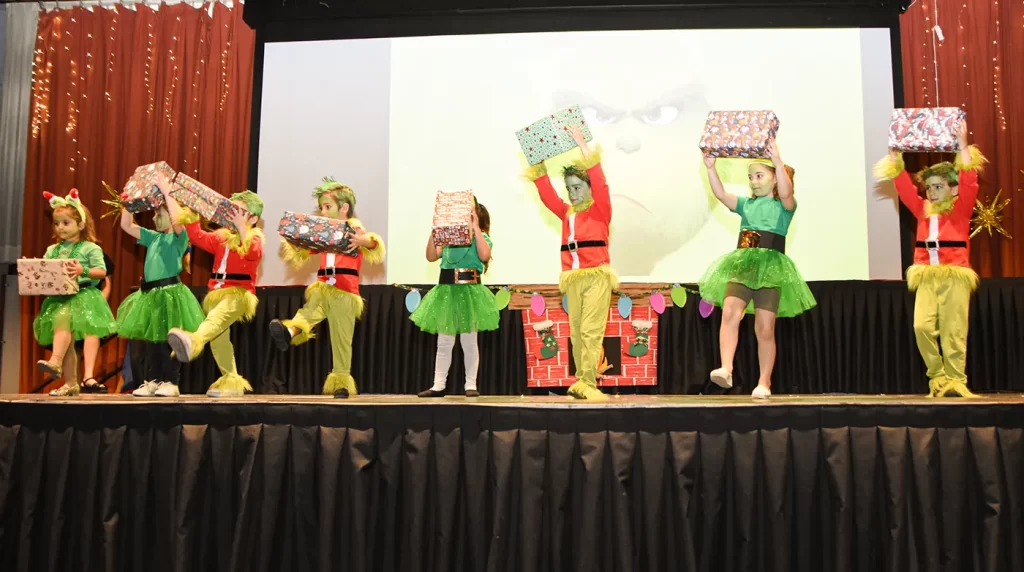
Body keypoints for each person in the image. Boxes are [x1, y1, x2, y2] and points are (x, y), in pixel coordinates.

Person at [874, 120, 985, 397]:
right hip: (926, 275)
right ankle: (937, 376)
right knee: (921, 326)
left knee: (954, 330)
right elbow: (903, 188)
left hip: (954, 275)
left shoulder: (960, 210)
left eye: (938, 187)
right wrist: (894, 156)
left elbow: (969, 181)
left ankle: (956, 379)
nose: (932, 193)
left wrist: (962, 147)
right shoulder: (922, 209)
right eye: (929, 187)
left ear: (953, 189)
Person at [698, 141, 816, 399]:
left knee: (764, 327)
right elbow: (721, 194)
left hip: (770, 268)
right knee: (730, 312)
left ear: (775, 178)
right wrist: (710, 168)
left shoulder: (784, 206)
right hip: (744, 263)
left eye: (759, 176)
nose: (753, 181)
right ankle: (726, 368)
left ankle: (764, 382)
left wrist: (777, 160)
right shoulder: (746, 205)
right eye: (750, 177)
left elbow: (786, 192)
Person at [522, 125, 615, 400]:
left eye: (577, 187)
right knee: (576, 332)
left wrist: (583, 147)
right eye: (569, 188)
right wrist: (537, 161)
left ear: (589, 188)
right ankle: (582, 379)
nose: (572, 193)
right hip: (573, 279)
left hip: (596, 277)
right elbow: (547, 195)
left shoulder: (600, 210)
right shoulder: (566, 213)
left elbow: (600, 182)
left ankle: (589, 382)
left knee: (590, 331)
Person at [270, 178, 385, 398]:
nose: (323, 211)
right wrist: (293, 239)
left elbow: (373, 244)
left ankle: (341, 382)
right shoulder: (323, 232)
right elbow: (306, 249)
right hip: (323, 285)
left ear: (344, 208)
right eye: (321, 207)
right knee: (308, 312)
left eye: (327, 206)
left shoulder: (354, 228)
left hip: (345, 291)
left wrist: (363, 241)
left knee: (341, 339)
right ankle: (290, 331)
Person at [162, 185, 265, 398]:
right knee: (219, 340)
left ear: (253, 219)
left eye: (240, 212)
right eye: (231, 210)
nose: (233, 215)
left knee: (215, 320)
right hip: (216, 293)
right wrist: (192, 213)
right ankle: (231, 380)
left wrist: (242, 229)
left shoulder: (254, 238)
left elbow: (252, 253)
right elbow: (197, 237)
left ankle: (194, 341)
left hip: (238, 294)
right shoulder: (221, 237)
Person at [33, 189, 118, 396]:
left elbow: (102, 272)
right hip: (60, 297)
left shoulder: (90, 248)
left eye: (66, 223)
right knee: (67, 340)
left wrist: (83, 270)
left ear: (80, 225)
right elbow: (46, 270)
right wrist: (34, 267)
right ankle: (71, 383)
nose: (60, 227)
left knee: (63, 321)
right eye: (56, 223)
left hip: (83, 297)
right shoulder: (52, 250)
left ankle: (55, 361)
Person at [116, 202, 205, 397]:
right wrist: (128, 203)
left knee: (169, 341)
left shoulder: (179, 238)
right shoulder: (153, 237)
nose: (154, 218)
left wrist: (167, 194)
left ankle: (172, 382)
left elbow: (178, 220)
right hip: (151, 295)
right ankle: (154, 380)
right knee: (152, 342)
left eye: (159, 213)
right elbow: (126, 225)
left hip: (170, 294)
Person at [412, 196, 498, 397]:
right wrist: (435, 231)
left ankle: (471, 384)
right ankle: (438, 385)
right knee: (444, 341)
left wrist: (475, 227)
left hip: (469, 293)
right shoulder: (448, 239)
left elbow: (484, 255)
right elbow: (431, 256)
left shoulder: (482, 237)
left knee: (469, 341)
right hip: (447, 292)